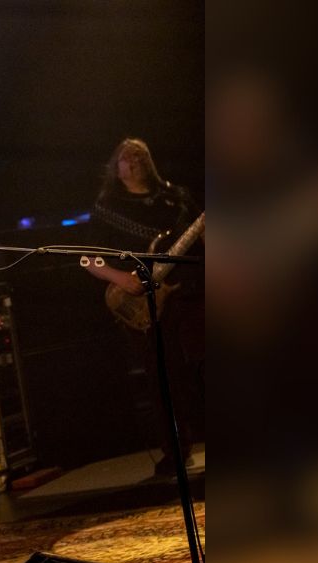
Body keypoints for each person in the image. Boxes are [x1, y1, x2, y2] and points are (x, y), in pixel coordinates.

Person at [83, 138, 204, 476]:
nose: (134, 159)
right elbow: (87, 258)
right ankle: (175, 450)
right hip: (143, 303)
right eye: (125, 155)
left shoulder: (176, 199)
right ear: (115, 167)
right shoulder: (108, 206)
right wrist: (121, 279)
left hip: (189, 292)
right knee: (164, 377)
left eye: (141, 153)